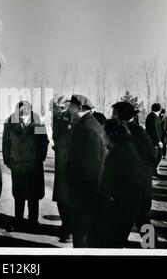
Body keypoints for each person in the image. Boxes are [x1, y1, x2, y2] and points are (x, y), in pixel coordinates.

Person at [92, 119, 147, 248]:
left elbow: (131, 183)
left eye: (102, 131)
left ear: (111, 135)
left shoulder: (122, 153)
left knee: (113, 244)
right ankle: (153, 247)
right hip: (124, 207)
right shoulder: (120, 149)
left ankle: (155, 249)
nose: (100, 135)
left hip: (122, 210)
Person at [65, 94, 106, 247]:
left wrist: (85, 195)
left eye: (72, 106)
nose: (69, 109)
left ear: (80, 108)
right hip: (82, 191)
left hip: (85, 194)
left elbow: (94, 165)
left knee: (82, 232)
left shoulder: (88, 127)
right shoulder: (85, 123)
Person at [2, 101, 49, 232]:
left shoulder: (37, 121)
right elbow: (6, 142)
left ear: (29, 112)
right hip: (17, 165)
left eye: (24, 113)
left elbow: (44, 141)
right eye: (19, 113)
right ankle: (18, 221)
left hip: (34, 166)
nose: (21, 116)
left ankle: (33, 222)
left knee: (33, 196)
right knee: (19, 195)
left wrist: (40, 158)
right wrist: (8, 161)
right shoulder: (10, 122)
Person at [111, 101, 155, 230]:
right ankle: (151, 246)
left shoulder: (134, 130)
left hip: (136, 187)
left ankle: (152, 246)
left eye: (114, 113)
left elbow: (150, 155)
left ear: (122, 115)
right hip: (133, 187)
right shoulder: (126, 128)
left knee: (141, 219)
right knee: (140, 219)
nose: (112, 116)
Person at [51, 95, 73, 242]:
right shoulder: (57, 119)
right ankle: (65, 225)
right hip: (60, 161)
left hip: (70, 164)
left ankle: (69, 230)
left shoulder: (72, 119)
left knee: (68, 197)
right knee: (60, 197)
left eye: (62, 107)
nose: (59, 110)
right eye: (57, 107)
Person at [145, 103, 163, 178]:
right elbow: (155, 130)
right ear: (159, 109)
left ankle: (153, 171)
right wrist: (158, 141)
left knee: (157, 156)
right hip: (153, 141)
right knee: (156, 156)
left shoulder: (151, 116)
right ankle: (152, 172)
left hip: (151, 140)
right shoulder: (154, 117)